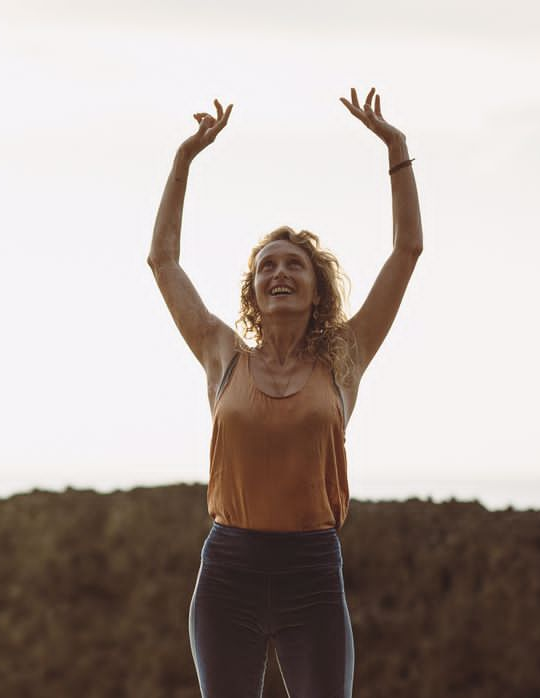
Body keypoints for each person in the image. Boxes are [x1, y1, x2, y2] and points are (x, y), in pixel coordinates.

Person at [146, 87, 423, 698]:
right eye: (267, 265)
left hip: (312, 573)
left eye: (294, 265)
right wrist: (183, 161)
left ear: (316, 289)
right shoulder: (221, 354)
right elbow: (163, 261)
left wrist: (396, 148)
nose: (279, 272)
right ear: (254, 291)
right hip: (227, 573)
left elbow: (406, 252)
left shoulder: (344, 359)